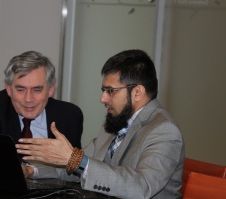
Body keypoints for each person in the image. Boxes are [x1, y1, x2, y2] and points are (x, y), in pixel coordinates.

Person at [16, 49, 185, 198]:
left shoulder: (164, 131)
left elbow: (142, 186)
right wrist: (31, 171)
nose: (102, 99)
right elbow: (79, 165)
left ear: (138, 92)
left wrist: (75, 160)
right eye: (103, 91)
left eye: (110, 91)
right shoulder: (114, 123)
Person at [0, 51, 83, 149]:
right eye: (20, 90)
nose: (28, 99)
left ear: (50, 90)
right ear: (8, 89)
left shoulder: (70, 115)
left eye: (37, 90)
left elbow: (72, 167)